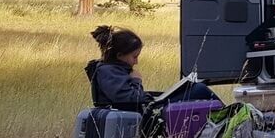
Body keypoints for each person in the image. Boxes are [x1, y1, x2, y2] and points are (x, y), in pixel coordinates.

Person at [85, 25, 218, 113]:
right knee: (199, 90)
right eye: (134, 57)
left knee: (195, 88)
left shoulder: (112, 70)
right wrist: (137, 81)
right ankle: (228, 120)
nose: (136, 62)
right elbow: (130, 99)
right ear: (119, 55)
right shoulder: (108, 72)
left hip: (147, 109)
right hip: (145, 117)